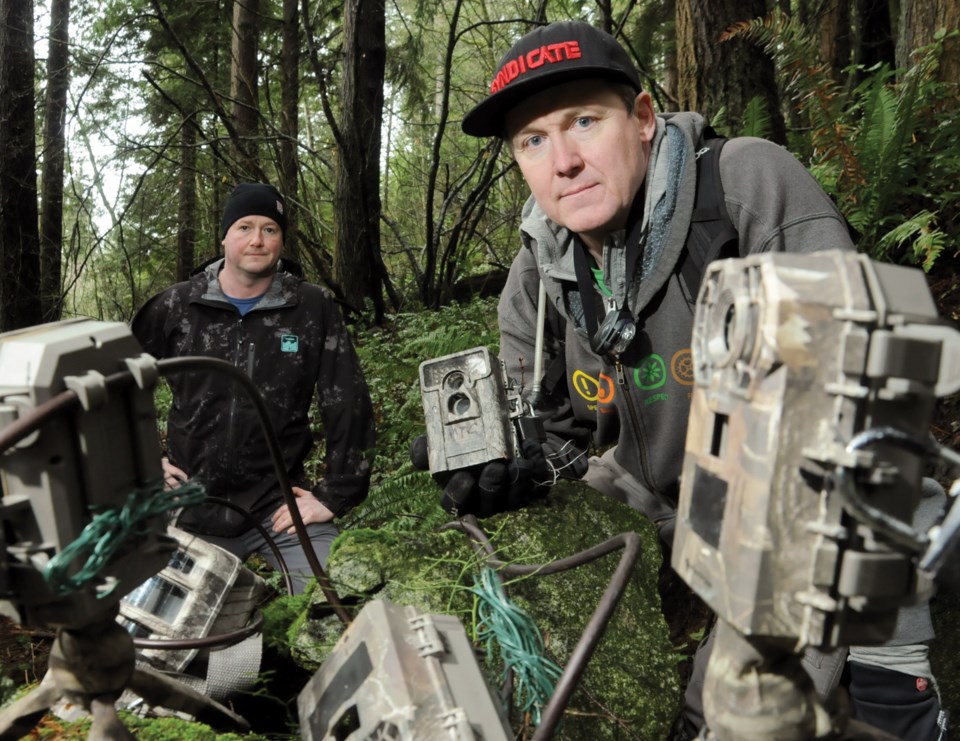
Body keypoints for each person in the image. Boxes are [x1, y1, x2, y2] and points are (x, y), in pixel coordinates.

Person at [448, 20, 947, 740]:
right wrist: (511, 467)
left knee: (769, 708)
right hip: (669, 509)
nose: (563, 160)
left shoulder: (743, 187)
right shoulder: (538, 274)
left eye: (584, 121)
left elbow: (862, 415)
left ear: (644, 119)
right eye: (532, 139)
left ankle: (899, 675)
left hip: (820, 502)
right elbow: (556, 433)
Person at [132, 182, 376, 595]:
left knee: (334, 603)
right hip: (189, 507)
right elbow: (116, 387)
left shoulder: (312, 307)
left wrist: (335, 495)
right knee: (160, 632)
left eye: (270, 229)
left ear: (281, 240)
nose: (257, 240)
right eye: (245, 227)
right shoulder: (176, 306)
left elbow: (348, 401)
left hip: (277, 508)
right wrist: (140, 462)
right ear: (225, 236)